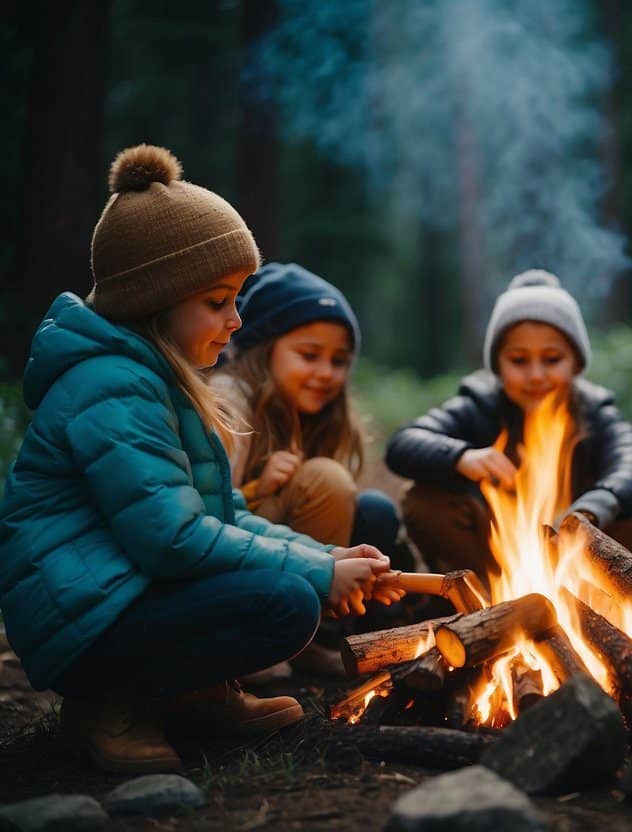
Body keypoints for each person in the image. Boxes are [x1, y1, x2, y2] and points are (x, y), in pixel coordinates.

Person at [0, 144, 396, 772]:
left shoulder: (162, 384)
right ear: (156, 299)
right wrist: (317, 576)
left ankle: (194, 695)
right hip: (83, 621)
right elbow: (175, 541)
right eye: (218, 301)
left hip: (117, 599)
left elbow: (226, 515)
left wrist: (328, 557)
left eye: (237, 298)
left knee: (292, 589)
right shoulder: (113, 388)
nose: (237, 320)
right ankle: (107, 708)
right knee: (286, 602)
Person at [386, 270, 632, 583]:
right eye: (518, 360)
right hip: (490, 561)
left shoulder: (594, 411)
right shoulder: (479, 404)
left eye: (552, 359)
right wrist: (462, 457)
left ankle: (584, 600)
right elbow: (403, 443)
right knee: (424, 499)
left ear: (576, 363)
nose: (536, 375)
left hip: (574, 559)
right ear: (497, 365)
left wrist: (594, 507)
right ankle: (481, 602)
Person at [211, 263, 406, 673]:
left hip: (279, 554)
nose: (326, 373)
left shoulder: (314, 413)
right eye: (309, 355)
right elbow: (203, 515)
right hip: (228, 569)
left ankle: (313, 640)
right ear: (264, 349)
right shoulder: (229, 404)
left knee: (372, 511)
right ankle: (265, 646)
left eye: (338, 361)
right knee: (326, 479)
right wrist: (256, 489)